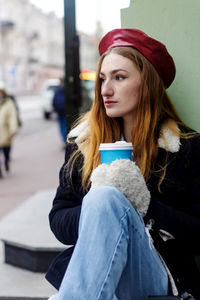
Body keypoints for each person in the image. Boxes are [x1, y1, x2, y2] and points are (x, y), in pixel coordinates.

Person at [46, 28, 200, 299]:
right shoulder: (83, 143)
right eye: (103, 79)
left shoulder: (185, 146)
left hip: (157, 273)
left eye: (119, 77)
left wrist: (145, 204)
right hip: (102, 270)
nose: (106, 90)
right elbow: (58, 219)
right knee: (103, 198)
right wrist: (100, 209)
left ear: (148, 83)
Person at [0, 84, 19, 177]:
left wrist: (13, 131)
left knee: (6, 151)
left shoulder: (9, 103)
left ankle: (7, 162)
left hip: (5, 133)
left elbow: (12, 118)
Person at [52, 77, 67, 148]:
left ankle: (64, 140)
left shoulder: (57, 89)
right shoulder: (67, 89)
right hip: (66, 111)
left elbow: (54, 101)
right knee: (66, 125)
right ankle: (66, 140)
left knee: (62, 126)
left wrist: (55, 109)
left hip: (60, 112)